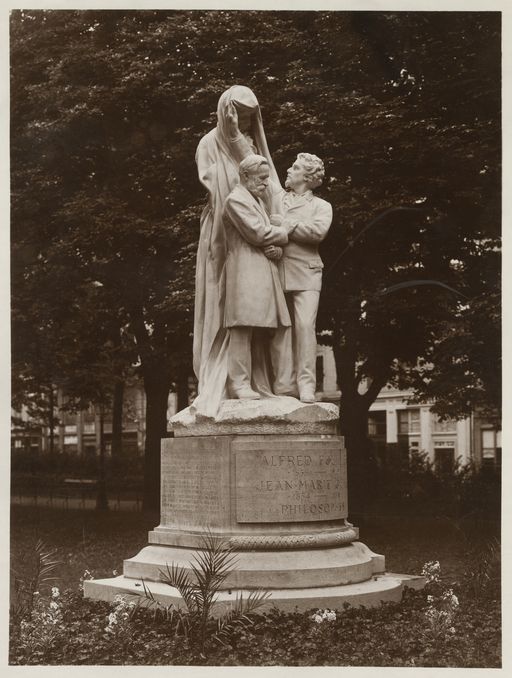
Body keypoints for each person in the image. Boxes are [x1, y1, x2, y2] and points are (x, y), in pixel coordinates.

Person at [192, 86, 282, 415]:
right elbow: (226, 188)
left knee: (256, 312)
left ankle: (258, 381)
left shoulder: (251, 144)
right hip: (223, 233)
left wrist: (241, 146)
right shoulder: (208, 143)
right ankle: (228, 378)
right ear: (225, 111)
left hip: (255, 236)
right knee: (229, 307)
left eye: (248, 116)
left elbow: (269, 188)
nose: (242, 122)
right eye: (238, 114)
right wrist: (237, 151)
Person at [223, 155, 294, 398]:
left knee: (273, 327)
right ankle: (240, 384)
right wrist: (283, 234)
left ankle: (275, 384)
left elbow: (264, 238)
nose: (266, 183)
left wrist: (277, 249)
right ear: (245, 176)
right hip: (244, 271)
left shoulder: (256, 201)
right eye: (262, 178)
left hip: (263, 271)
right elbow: (257, 234)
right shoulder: (235, 200)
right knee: (242, 327)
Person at [268, 153, 333, 403]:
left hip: (307, 271)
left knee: (305, 328)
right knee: (280, 329)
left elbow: (316, 233)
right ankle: (283, 385)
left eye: (294, 168)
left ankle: (306, 385)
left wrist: (285, 224)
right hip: (277, 268)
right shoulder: (275, 198)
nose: (288, 170)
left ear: (306, 177)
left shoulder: (321, 206)